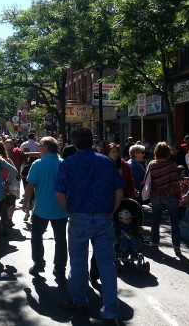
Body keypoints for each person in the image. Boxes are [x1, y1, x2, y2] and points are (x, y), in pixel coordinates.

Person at [56, 128, 123, 325]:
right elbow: (119, 190)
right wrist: (111, 210)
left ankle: (79, 302)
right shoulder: (106, 162)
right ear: (91, 142)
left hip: (78, 216)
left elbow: (60, 193)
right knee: (106, 264)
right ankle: (110, 310)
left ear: (74, 143)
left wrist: (69, 211)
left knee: (78, 263)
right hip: (103, 216)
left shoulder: (68, 163)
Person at [22, 136, 67, 280]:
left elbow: (30, 186)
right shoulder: (63, 163)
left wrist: (25, 202)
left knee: (36, 236)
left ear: (46, 148)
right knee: (60, 239)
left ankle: (39, 264)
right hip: (61, 208)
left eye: (40, 145)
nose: (38, 148)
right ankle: (60, 269)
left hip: (42, 208)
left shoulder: (38, 164)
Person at [144, 142, 182, 255]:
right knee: (174, 222)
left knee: (155, 221)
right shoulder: (171, 165)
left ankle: (155, 243)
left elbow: (148, 180)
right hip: (170, 195)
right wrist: (179, 197)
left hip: (156, 195)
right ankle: (176, 246)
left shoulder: (152, 164)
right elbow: (175, 183)